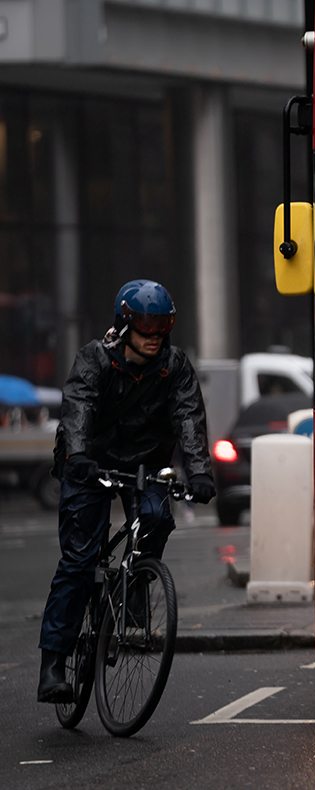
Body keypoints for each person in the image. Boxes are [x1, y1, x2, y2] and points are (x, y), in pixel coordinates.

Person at [37, 279, 215, 704]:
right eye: (146, 327)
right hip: (89, 463)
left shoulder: (175, 366)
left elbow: (189, 418)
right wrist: (78, 454)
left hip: (145, 463)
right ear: (125, 325)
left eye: (162, 326)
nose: (155, 336)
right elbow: (78, 406)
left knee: (156, 517)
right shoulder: (95, 360)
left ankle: (134, 587)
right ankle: (53, 665)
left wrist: (201, 472)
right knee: (79, 561)